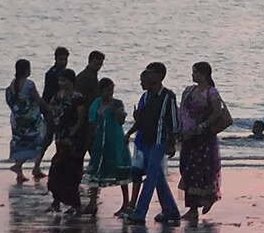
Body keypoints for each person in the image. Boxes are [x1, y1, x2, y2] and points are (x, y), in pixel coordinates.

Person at [128, 64, 182, 223]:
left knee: (151, 177)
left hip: (160, 141)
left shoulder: (168, 96)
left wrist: (172, 143)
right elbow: (141, 119)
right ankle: (170, 210)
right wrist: (130, 133)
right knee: (157, 177)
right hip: (146, 140)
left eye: (148, 75)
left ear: (159, 76)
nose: (144, 78)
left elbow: (173, 121)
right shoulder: (145, 97)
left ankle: (139, 213)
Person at [178, 61, 231, 220]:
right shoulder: (189, 91)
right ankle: (192, 209)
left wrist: (203, 126)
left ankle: (208, 198)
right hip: (189, 136)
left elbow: (217, 112)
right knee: (188, 169)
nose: (193, 75)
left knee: (204, 170)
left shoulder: (211, 92)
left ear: (204, 74)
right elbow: (182, 112)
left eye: (195, 72)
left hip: (204, 137)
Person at [84, 77, 137, 215]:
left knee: (120, 171)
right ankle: (92, 202)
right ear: (101, 91)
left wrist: (117, 112)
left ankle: (126, 202)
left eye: (112, 90)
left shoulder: (117, 103)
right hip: (100, 140)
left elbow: (120, 121)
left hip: (115, 139)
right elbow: (92, 121)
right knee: (96, 170)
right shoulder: (96, 103)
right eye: (107, 91)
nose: (110, 93)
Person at [45, 75, 89, 211]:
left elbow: (81, 119)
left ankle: (75, 204)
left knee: (71, 172)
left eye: (65, 80)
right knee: (56, 171)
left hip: (73, 140)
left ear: (72, 82)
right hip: (60, 137)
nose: (62, 83)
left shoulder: (78, 98)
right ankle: (56, 202)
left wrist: (71, 135)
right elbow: (51, 110)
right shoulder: (57, 96)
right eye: (60, 80)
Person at [4, 59, 47, 182]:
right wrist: (48, 108)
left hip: (17, 119)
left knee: (20, 143)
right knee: (38, 141)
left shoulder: (12, 84)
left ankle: (19, 173)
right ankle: (18, 166)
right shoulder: (29, 84)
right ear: (27, 70)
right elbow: (38, 100)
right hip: (30, 120)